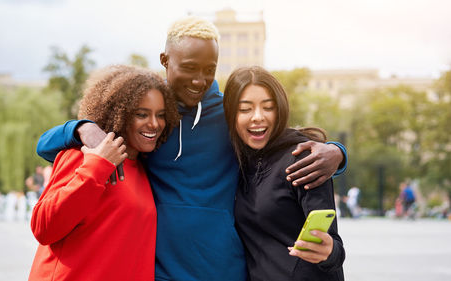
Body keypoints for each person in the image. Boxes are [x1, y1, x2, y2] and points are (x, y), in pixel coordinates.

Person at [35, 17, 347, 281]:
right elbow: (46, 147)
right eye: (189, 67)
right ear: (165, 60)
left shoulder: (230, 112)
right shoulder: (146, 117)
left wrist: (336, 152)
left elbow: (277, 138)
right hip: (160, 270)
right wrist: (80, 128)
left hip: (225, 268)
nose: (199, 79)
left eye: (209, 68)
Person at [28, 65, 179, 281]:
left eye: (161, 115)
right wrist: (96, 166)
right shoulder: (81, 154)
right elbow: (43, 227)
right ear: (119, 113)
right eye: (141, 114)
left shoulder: (144, 167)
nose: (154, 124)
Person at [223, 66, 344, 280]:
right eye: (245, 109)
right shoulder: (237, 161)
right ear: (231, 114)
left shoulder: (305, 158)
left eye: (268, 107)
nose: (257, 117)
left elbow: (335, 248)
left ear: (279, 110)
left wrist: (328, 251)